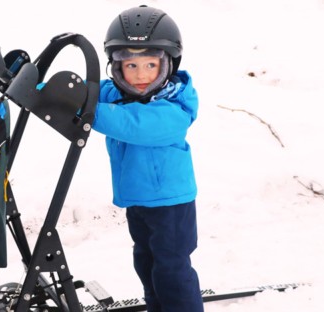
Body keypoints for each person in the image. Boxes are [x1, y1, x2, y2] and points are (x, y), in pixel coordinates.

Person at [93, 5, 204, 312]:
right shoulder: (115, 94)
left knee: (171, 270)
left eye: (150, 65)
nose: (140, 76)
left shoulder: (174, 108)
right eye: (131, 66)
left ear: (167, 64)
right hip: (139, 200)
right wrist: (42, 90)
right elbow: (82, 93)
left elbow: (132, 124)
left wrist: (86, 111)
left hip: (170, 205)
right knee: (145, 262)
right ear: (117, 68)